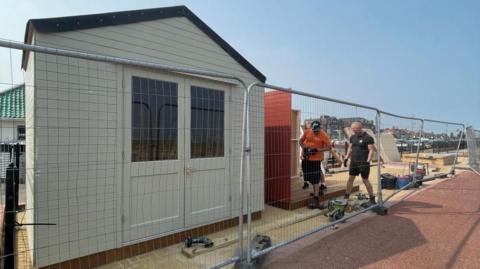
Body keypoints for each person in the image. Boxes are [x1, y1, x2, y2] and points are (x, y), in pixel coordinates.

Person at [299, 120, 332, 209]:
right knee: (307, 175)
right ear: (312, 128)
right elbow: (300, 141)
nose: (315, 132)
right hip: (306, 158)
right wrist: (304, 148)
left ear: (320, 128)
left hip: (316, 159)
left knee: (315, 178)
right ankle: (315, 190)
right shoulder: (307, 131)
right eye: (314, 130)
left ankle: (316, 198)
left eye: (317, 130)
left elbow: (329, 147)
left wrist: (317, 150)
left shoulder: (323, 135)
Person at [344, 122, 376, 205]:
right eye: (352, 129)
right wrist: (346, 158)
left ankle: (372, 198)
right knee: (351, 178)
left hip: (363, 162)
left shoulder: (368, 137)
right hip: (354, 161)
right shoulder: (352, 137)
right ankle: (346, 196)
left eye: (355, 129)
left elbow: (371, 150)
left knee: (365, 180)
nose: (353, 131)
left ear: (360, 128)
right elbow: (350, 148)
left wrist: (368, 161)